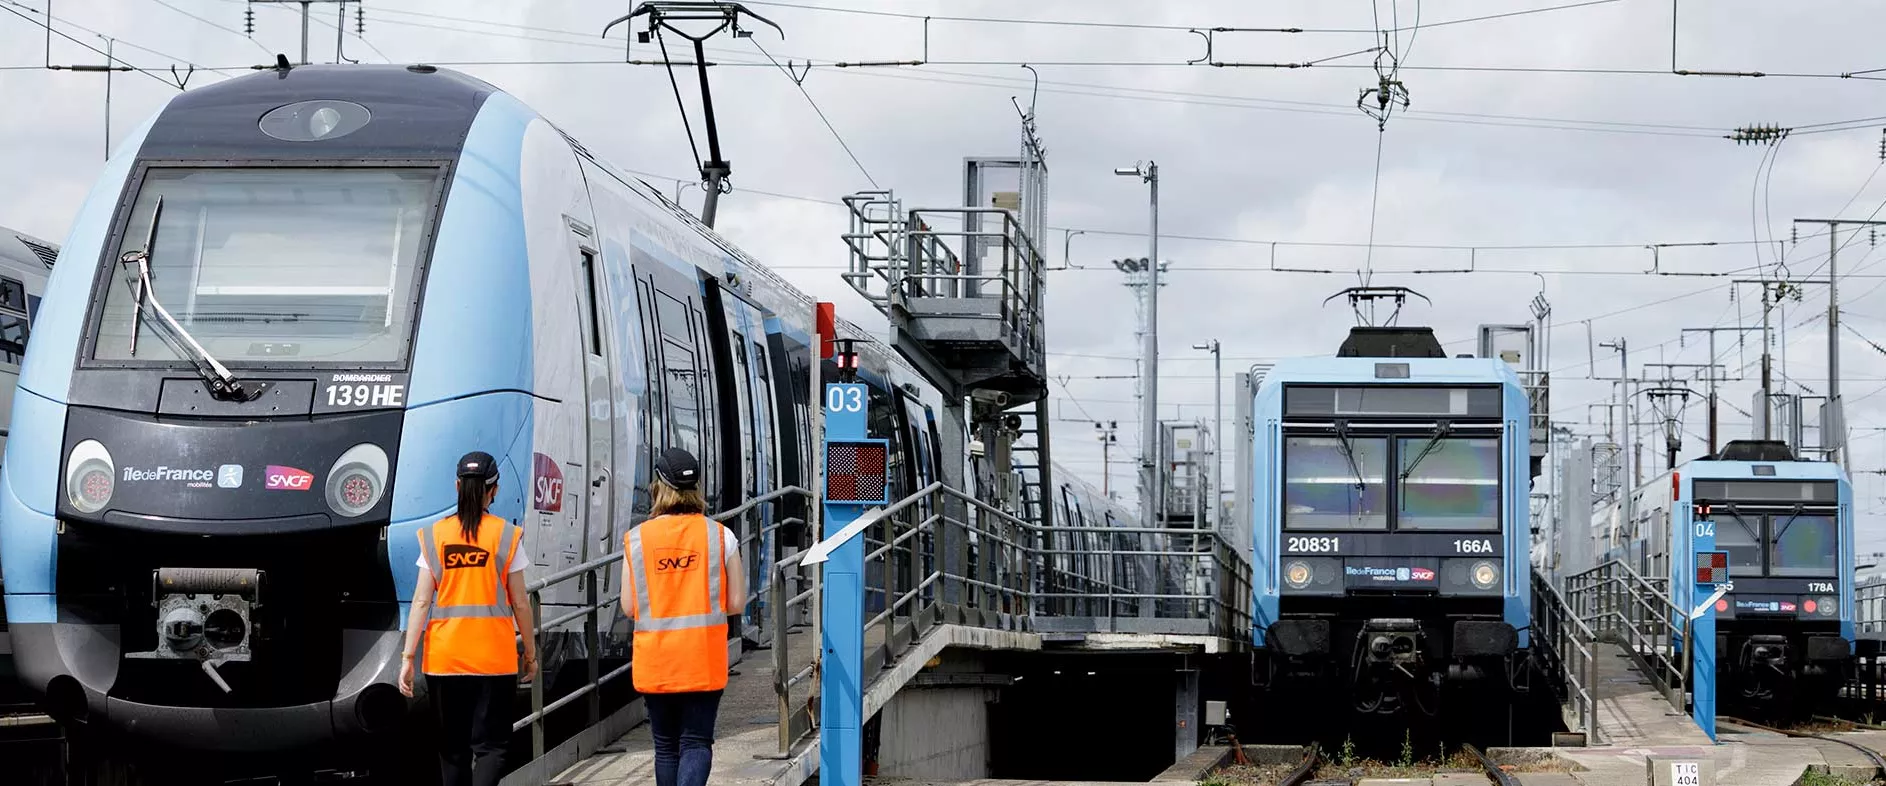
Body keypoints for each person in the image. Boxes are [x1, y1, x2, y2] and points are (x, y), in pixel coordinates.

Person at [399, 451, 539, 786]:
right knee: (491, 748)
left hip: (445, 661)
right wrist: (531, 654)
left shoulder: (434, 536)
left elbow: (421, 601)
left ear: (458, 486)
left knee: (452, 749)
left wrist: (407, 657)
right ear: (495, 489)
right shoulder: (506, 536)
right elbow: (520, 602)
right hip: (494, 660)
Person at [621, 447, 745, 786]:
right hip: (702, 660)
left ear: (659, 487)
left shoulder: (636, 540)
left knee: (665, 747)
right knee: (696, 742)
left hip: (657, 661)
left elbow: (630, 607)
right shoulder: (720, 536)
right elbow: (736, 602)